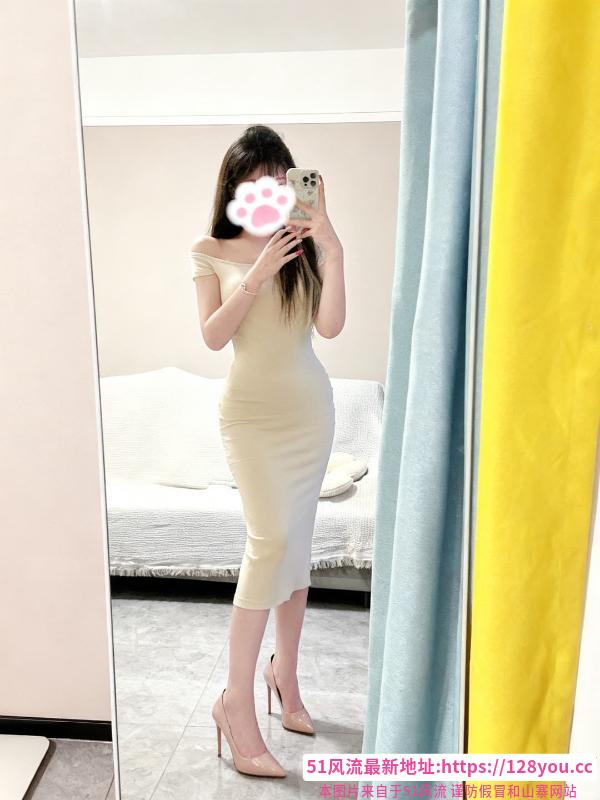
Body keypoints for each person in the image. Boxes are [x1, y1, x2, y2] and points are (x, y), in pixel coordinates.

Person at [190, 125, 345, 778]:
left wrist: (330, 246)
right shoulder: (212, 249)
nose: (272, 187)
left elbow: (330, 326)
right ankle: (235, 701)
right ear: (235, 185)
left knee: (296, 548)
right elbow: (212, 336)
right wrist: (255, 273)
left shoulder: (305, 243)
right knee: (270, 543)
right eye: (257, 178)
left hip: (310, 415)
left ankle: (286, 675)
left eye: (281, 177)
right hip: (250, 420)